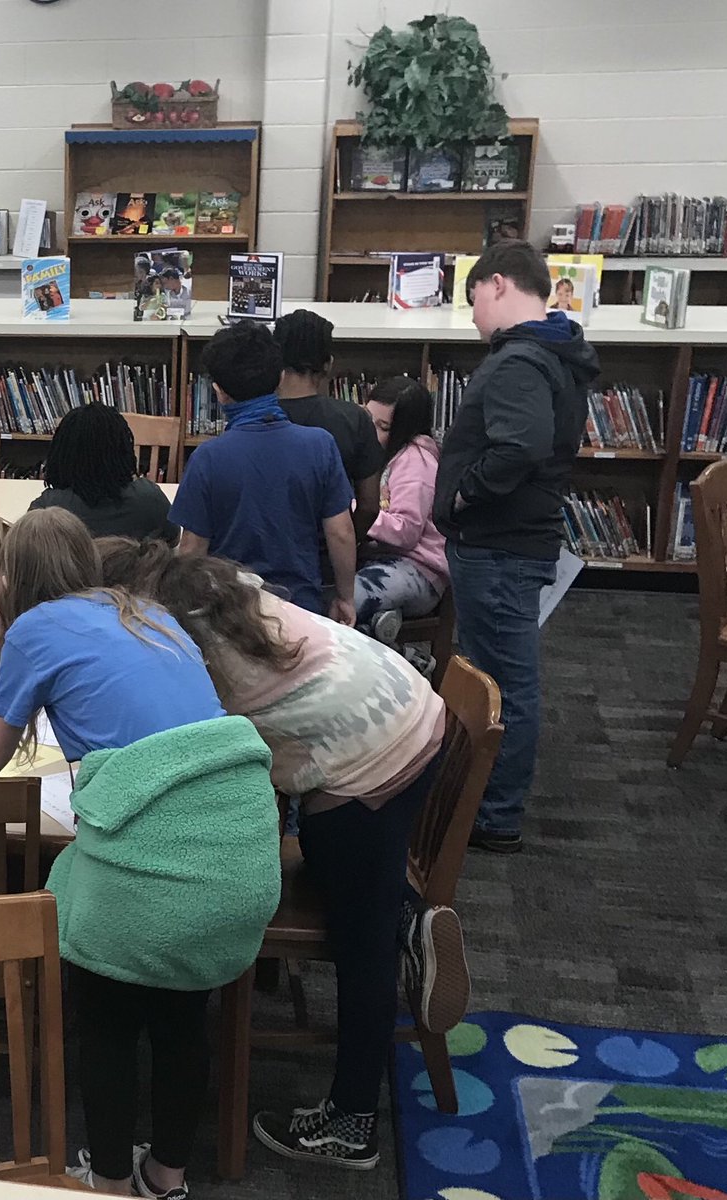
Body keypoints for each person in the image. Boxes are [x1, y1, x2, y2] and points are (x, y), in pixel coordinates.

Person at [98, 538, 471, 1172]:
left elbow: (190, 753)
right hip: (405, 701)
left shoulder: (171, 640)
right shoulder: (212, 582)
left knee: (360, 946)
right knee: (325, 855)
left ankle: (353, 1123)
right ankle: (404, 917)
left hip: (370, 755)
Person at [0, 508, 281, 1198]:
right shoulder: (147, 612)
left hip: (159, 872)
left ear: (12, 578)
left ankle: (107, 1181)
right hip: (242, 846)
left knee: (105, 1020)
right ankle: (165, 1178)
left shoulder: (32, 629)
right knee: (179, 1015)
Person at [434, 240, 599, 853]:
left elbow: (519, 446)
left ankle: (495, 812)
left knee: (503, 681)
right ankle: (485, 798)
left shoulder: (518, 362)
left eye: (473, 297)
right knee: (498, 674)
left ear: (498, 285)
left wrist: (459, 497)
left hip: (499, 544)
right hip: (513, 541)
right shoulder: (553, 353)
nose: (472, 314)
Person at [169, 320, 357, 623]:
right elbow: (342, 533)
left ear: (219, 393)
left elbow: (192, 550)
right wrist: (346, 597)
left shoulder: (207, 459)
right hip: (301, 611)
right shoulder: (320, 445)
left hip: (231, 615)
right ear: (280, 377)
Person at [356, 377, 449, 669]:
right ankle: (403, 654)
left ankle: (404, 660)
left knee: (343, 602)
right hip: (385, 561)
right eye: (367, 420)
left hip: (419, 572)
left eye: (383, 428)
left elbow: (406, 532)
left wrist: (356, 510)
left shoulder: (415, 460)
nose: (371, 432)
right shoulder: (380, 453)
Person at [273, 308, 384, 540]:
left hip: (255, 558)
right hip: (326, 557)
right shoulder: (355, 419)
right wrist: (347, 545)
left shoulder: (253, 417)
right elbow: (369, 506)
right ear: (328, 364)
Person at [29, 403, 179, 542]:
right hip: (134, 570)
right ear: (123, 450)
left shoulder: (49, 508)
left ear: (61, 453)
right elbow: (173, 538)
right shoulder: (149, 499)